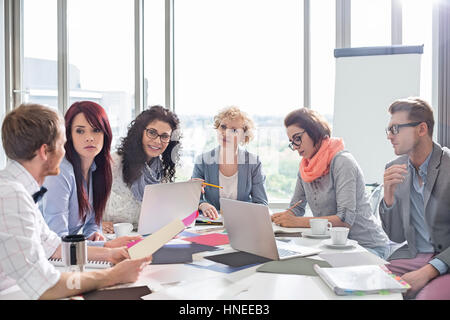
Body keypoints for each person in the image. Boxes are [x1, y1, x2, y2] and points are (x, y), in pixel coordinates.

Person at [0, 103, 151, 300]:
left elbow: (54, 247)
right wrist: (113, 276)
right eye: (63, 144)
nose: (66, 151)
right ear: (46, 152)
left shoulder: (18, 191)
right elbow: (44, 285)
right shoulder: (11, 195)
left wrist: (109, 253)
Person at [271, 108, 389, 257]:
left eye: (297, 138)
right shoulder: (306, 167)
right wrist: (279, 218)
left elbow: (344, 220)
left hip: (366, 247)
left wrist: (295, 222)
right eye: (291, 142)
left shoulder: (342, 162)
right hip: (333, 246)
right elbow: (296, 208)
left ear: (314, 130)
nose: (295, 146)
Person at [42, 101, 141, 247]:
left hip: (70, 254)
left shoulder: (98, 169)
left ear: (105, 134)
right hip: (41, 256)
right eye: (80, 131)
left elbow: (92, 225)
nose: (89, 137)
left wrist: (95, 235)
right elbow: (58, 241)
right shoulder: (60, 172)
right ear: (69, 135)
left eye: (96, 130)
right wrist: (106, 247)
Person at [380, 97, 450, 300]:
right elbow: (396, 235)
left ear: (421, 129)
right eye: (388, 130)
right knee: (367, 289)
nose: (390, 136)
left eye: (396, 129)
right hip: (411, 255)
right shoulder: (395, 168)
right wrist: (389, 197)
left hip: (445, 260)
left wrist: (428, 271)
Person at [103, 105, 182, 233]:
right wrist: (98, 224)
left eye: (164, 136)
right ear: (140, 132)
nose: (157, 141)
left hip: (142, 235)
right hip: (111, 238)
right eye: (152, 132)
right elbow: (86, 204)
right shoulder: (115, 163)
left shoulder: (159, 170)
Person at [192, 106, 268, 219]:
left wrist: (238, 213)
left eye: (233, 130)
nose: (225, 133)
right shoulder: (202, 161)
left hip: (243, 222)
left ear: (243, 136)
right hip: (211, 223)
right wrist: (202, 204)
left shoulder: (254, 163)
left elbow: (261, 203)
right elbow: (193, 198)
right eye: (223, 127)